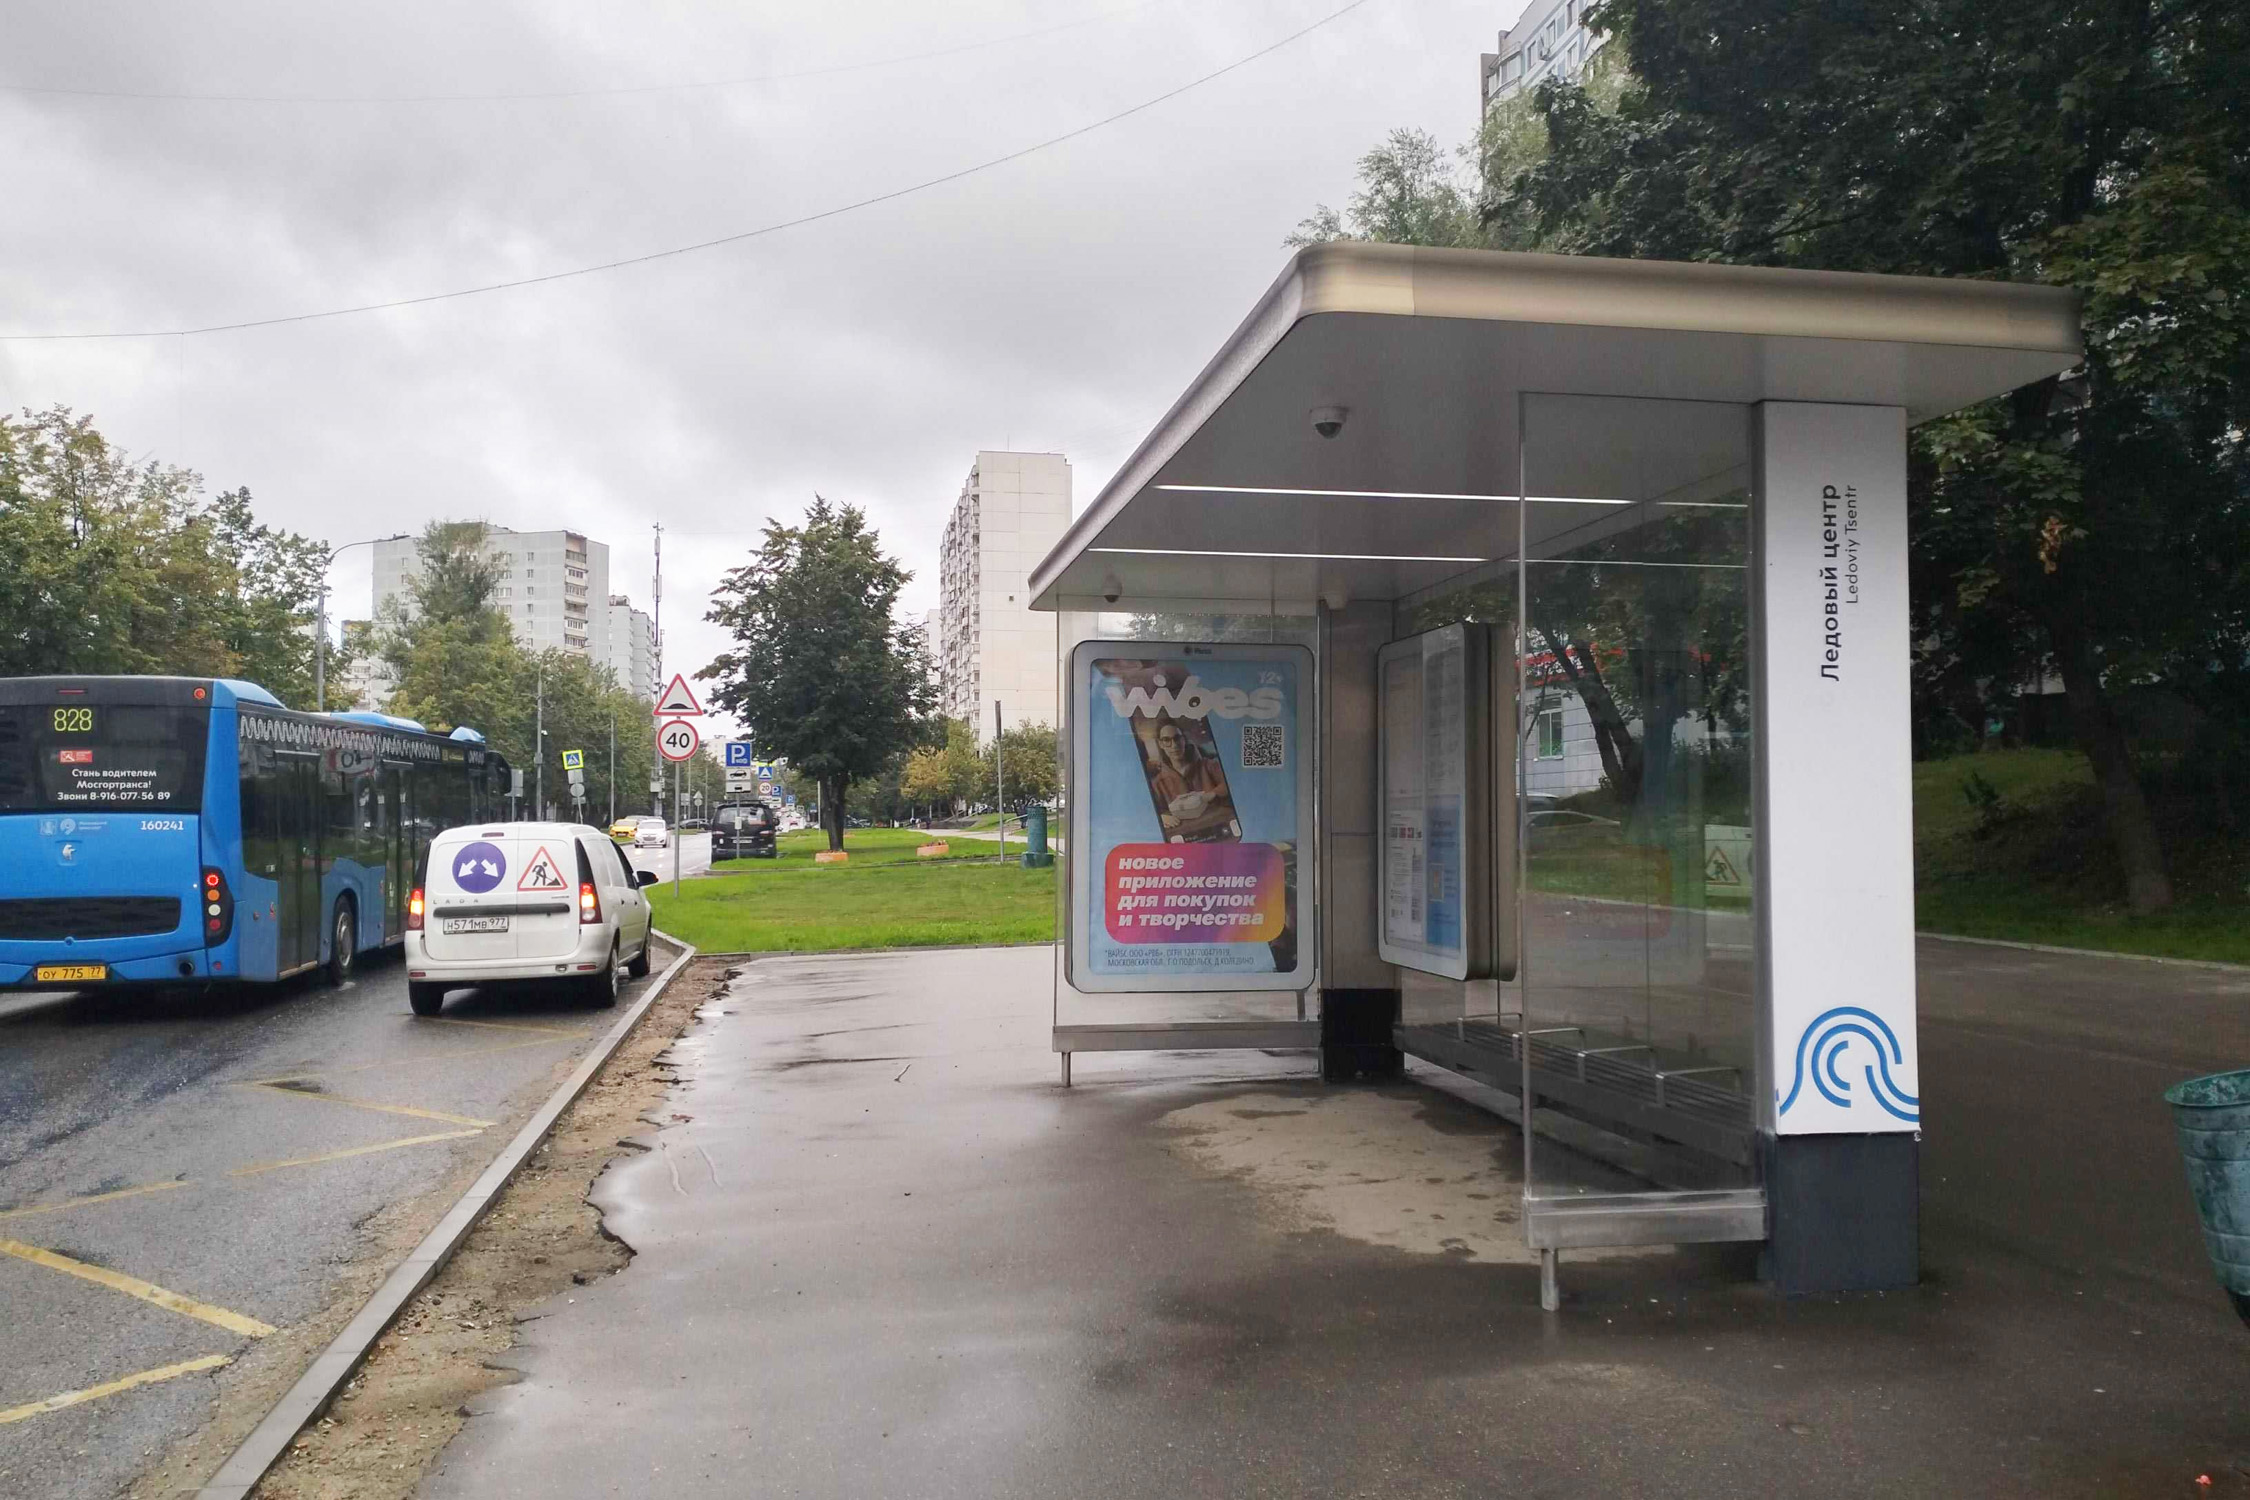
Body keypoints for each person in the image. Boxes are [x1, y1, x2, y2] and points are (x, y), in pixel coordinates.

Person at [1148, 718, 1228, 829]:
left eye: (1177, 738)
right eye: (1166, 740)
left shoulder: (1208, 765)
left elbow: (1231, 782)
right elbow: (1148, 811)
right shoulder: (1157, 783)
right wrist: (1160, 817)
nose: (1174, 745)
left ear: (1184, 740)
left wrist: (1213, 793)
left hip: (1218, 825)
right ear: (1160, 744)